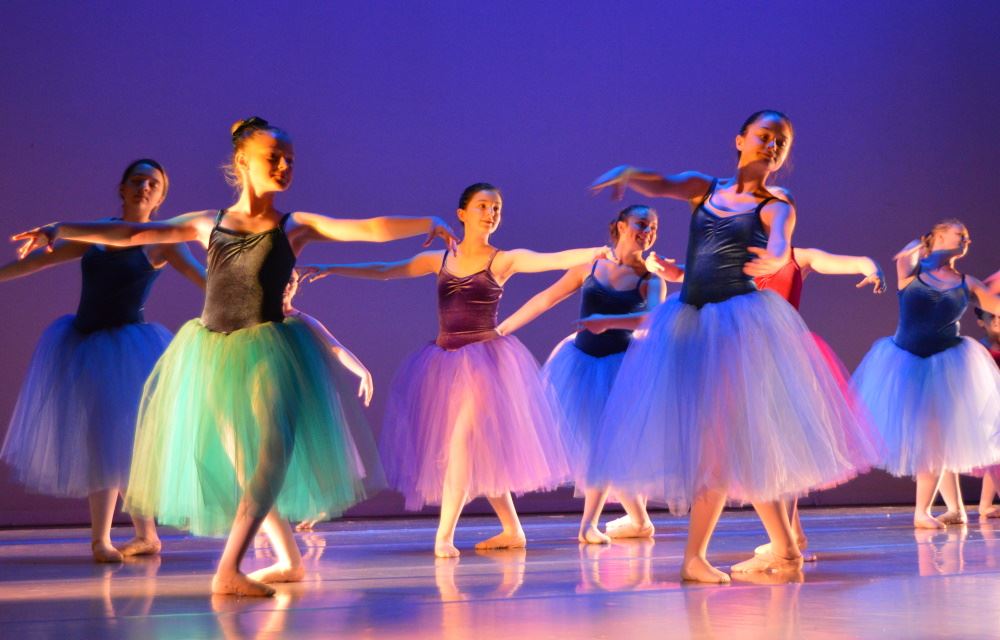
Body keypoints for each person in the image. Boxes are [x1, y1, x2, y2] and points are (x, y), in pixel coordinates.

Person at [12, 117, 458, 596]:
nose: (285, 166)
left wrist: (425, 222)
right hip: (212, 353)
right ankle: (288, 560)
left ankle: (229, 569)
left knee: (269, 460)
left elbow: (365, 228)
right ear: (243, 162)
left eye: (290, 159)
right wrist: (60, 228)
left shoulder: (294, 226)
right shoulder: (209, 222)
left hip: (271, 351)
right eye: (274, 157)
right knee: (249, 467)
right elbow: (132, 235)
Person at [585, 110, 876, 583]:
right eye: (764, 136)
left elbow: (781, 242)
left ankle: (704, 557)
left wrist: (776, 257)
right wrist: (629, 176)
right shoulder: (707, 188)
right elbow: (664, 184)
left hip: (737, 326)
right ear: (740, 139)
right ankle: (780, 550)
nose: (771, 146)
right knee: (729, 439)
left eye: (780, 141)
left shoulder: (776, 202)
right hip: (691, 321)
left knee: (722, 440)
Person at [304, 182, 611, 557]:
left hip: (485, 362)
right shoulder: (442, 259)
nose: (491, 213)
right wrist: (333, 267)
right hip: (444, 360)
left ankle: (444, 536)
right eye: (483, 205)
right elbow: (388, 270)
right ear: (462, 214)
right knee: (476, 450)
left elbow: (550, 258)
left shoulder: (503, 260)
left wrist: (595, 251)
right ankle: (513, 529)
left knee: (460, 446)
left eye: (497, 207)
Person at [1, 159, 204, 563]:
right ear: (122, 188)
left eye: (154, 183)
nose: (144, 186)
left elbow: (205, 279)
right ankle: (104, 538)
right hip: (83, 343)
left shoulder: (163, 241)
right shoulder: (96, 234)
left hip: (128, 347)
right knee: (102, 439)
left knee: (124, 441)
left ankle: (140, 536)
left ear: (161, 197)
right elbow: (39, 260)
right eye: (137, 180)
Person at [496, 204, 673, 544]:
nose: (648, 232)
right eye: (641, 224)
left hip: (622, 368)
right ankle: (639, 521)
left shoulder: (651, 280)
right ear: (621, 226)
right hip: (580, 362)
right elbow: (546, 298)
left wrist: (609, 322)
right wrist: (504, 328)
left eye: (653, 227)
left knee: (604, 445)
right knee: (602, 445)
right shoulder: (591, 267)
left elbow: (651, 320)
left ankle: (588, 525)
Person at [853, 220, 1000, 529]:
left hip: (947, 364)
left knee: (936, 437)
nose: (967, 240)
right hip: (905, 362)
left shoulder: (967, 282)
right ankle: (949, 508)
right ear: (938, 237)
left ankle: (926, 511)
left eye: (967, 237)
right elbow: (905, 257)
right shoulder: (912, 272)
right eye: (960, 234)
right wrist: (925, 248)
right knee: (934, 438)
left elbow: (994, 303)